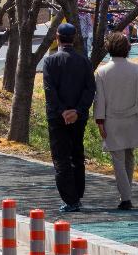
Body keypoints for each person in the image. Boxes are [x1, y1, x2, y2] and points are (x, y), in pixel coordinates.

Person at [94, 32, 138, 210]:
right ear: (127, 48)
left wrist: (100, 121)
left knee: (118, 159)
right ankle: (127, 194)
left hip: (112, 120)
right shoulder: (135, 69)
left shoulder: (102, 71)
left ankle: (125, 197)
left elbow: (100, 100)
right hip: (133, 117)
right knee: (129, 156)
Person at [41, 22, 96, 212]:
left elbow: (50, 89)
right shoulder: (84, 61)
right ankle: (77, 194)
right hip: (78, 117)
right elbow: (90, 89)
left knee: (61, 158)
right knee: (77, 155)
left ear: (57, 37)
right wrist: (78, 111)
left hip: (57, 117)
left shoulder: (50, 61)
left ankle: (70, 199)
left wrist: (63, 111)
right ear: (74, 38)